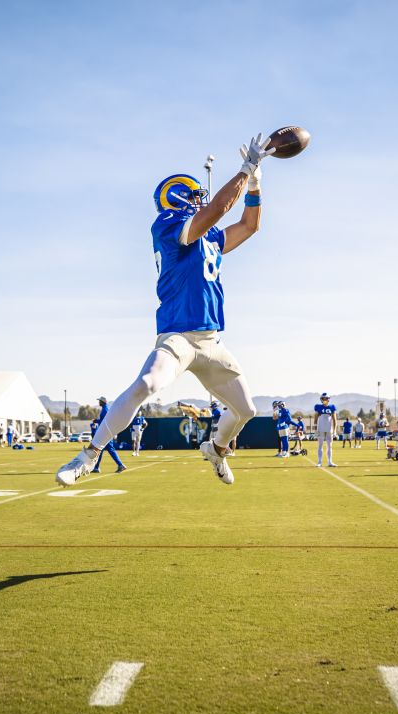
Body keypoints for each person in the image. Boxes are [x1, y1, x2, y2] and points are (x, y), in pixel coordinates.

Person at [55, 133, 277, 486]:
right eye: (194, 195)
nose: (199, 200)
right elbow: (218, 209)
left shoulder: (210, 238)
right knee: (146, 383)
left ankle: (216, 449)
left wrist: (254, 184)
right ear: (177, 197)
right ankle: (89, 455)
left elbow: (250, 225)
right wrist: (244, 169)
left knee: (246, 410)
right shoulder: (167, 225)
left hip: (212, 341)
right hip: (178, 337)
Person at [91, 396, 126, 474]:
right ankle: (96, 467)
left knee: (110, 449)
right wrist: (97, 421)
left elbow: (104, 422)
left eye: (100, 401)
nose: (99, 402)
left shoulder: (105, 410)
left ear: (103, 402)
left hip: (106, 433)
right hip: (106, 432)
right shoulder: (105, 409)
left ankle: (120, 465)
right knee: (101, 450)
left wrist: (96, 421)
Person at [315, 392, 339, 467]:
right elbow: (315, 419)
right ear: (321, 399)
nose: (324, 400)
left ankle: (330, 462)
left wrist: (335, 431)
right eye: (323, 398)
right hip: (321, 428)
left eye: (326, 398)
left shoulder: (332, 407)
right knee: (320, 445)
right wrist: (315, 429)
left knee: (329, 446)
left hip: (329, 429)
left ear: (328, 399)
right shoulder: (318, 407)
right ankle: (319, 462)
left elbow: (335, 420)